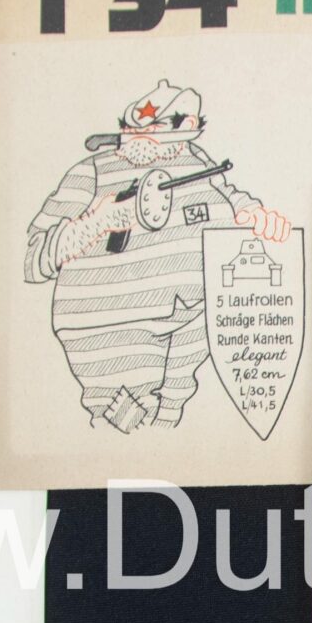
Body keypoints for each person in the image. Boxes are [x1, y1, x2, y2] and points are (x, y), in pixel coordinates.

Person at [24, 80, 287, 432]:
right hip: (111, 333)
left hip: (186, 335)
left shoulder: (197, 162)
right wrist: (94, 224)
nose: (134, 138)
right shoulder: (93, 172)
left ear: (186, 128)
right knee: (124, 430)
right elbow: (34, 261)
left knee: (167, 428)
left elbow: (232, 200)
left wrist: (255, 214)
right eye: (129, 128)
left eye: (151, 128)